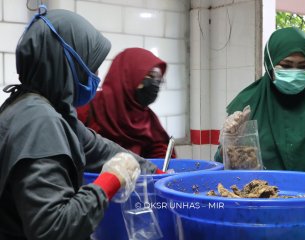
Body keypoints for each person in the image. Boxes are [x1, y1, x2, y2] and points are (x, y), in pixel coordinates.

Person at [0, 7, 164, 240]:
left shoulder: (42, 108)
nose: (95, 75)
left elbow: (100, 148)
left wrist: (157, 173)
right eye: (90, 65)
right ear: (66, 63)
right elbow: (53, 228)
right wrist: (111, 180)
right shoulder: (38, 121)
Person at [214, 27, 305, 174]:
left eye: (303, 66)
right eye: (286, 66)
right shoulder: (248, 104)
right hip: (259, 194)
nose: (295, 73)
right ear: (270, 65)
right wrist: (228, 141)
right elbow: (222, 167)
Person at [77, 48, 176, 159]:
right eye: (151, 76)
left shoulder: (148, 120)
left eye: (159, 80)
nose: (155, 84)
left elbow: (162, 158)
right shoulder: (87, 108)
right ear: (128, 75)